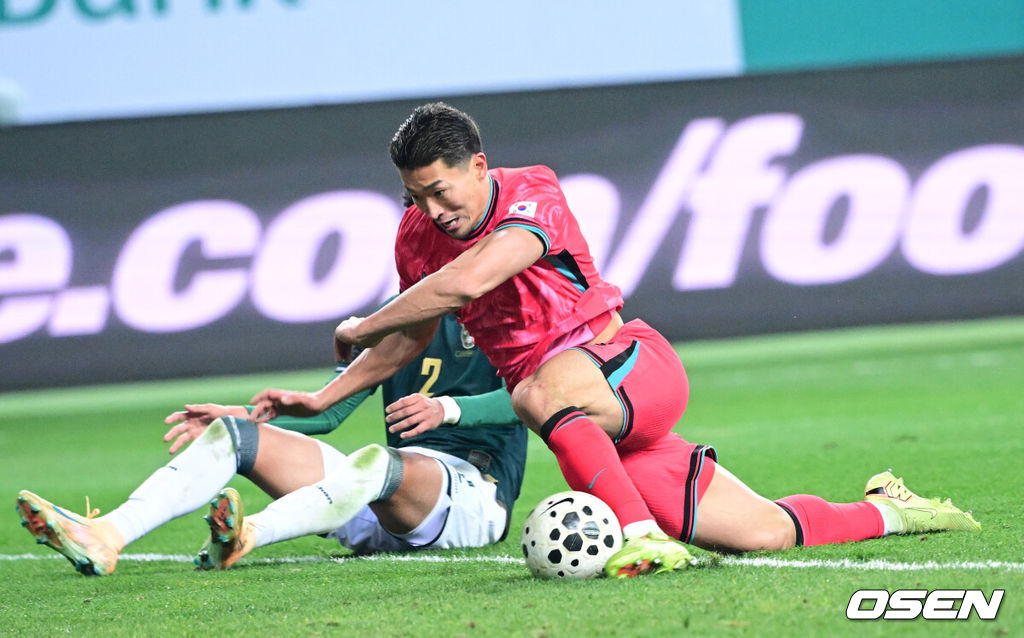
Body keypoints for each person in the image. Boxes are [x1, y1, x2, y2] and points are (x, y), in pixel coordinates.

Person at [250, 102, 980, 579]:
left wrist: (359, 321)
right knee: (759, 534)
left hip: (630, 367)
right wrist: (326, 392)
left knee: (535, 388)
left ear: (479, 167)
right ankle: (895, 509)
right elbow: (410, 337)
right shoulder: (417, 237)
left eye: (442, 191)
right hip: (582, 416)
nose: (431, 210)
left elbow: (465, 286)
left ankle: (638, 536)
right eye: (415, 196)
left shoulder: (533, 192)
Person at [16, 313, 527, 576]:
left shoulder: (511, 312)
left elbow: (535, 395)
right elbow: (329, 412)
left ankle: (248, 534)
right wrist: (242, 414)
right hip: (373, 502)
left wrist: (450, 409)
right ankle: (106, 535)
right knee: (232, 439)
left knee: (374, 463)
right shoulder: (393, 321)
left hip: (471, 500)